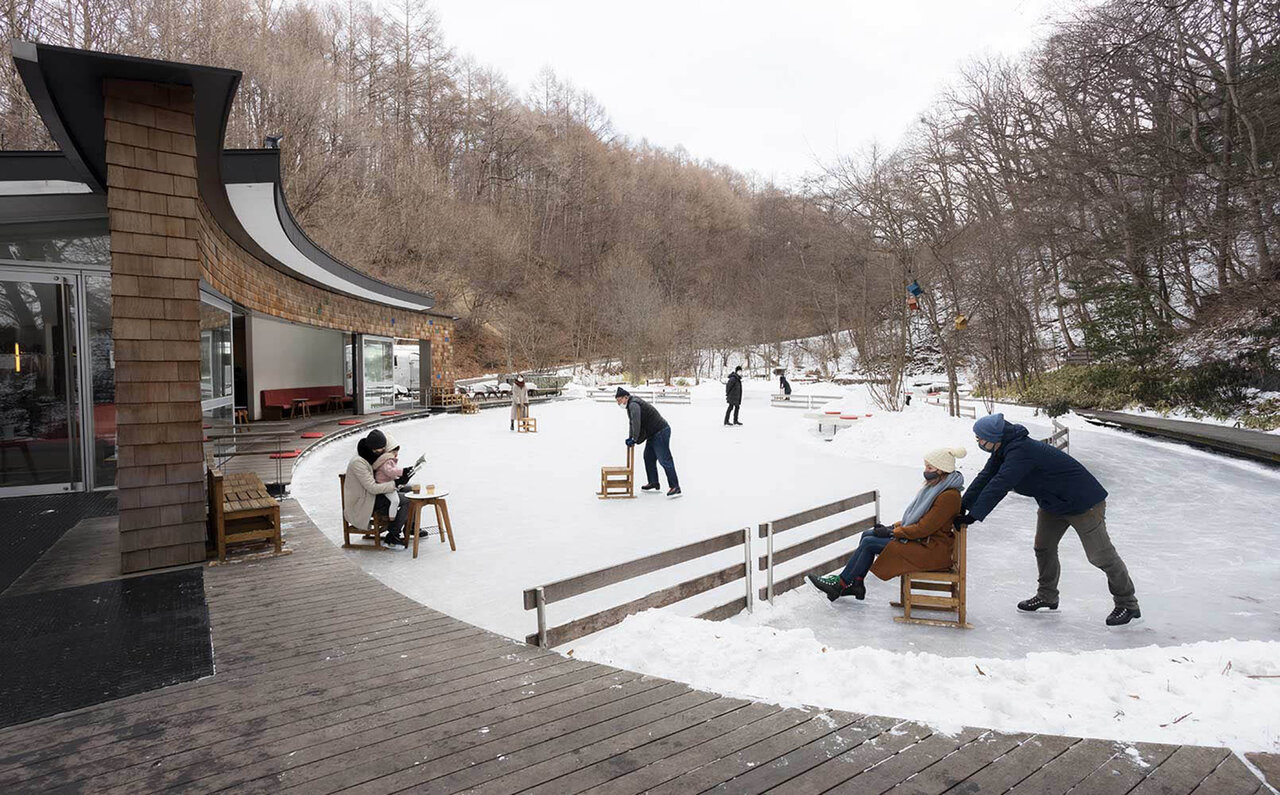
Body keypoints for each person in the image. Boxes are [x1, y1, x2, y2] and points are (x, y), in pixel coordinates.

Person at [955, 413, 1140, 626]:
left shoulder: (1021, 451)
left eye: (979, 438)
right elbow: (985, 477)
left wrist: (974, 516)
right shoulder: (1003, 449)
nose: (978, 442)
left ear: (993, 437)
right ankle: (1047, 596)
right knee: (1043, 548)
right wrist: (963, 505)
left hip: (1083, 503)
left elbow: (1001, 483)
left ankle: (1128, 603)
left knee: (1100, 556)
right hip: (1052, 503)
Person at [808, 446, 967, 600]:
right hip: (923, 542)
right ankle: (856, 583)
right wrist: (892, 527)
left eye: (929, 468)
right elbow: (918, 519)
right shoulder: (938, 488)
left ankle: (840, 584)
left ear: (941, 470)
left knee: (870, 543)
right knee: (867, 534)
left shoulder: (948, 496)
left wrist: (892, 533)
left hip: (931, 550)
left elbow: (923, 528)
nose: (925, 471)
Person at [343, 429, 414, 547]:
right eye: (381, 449)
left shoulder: (371, 456)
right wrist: (396, 484)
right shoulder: (358, 463)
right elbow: (372, 488)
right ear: (373, 448)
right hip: (365, 500)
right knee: (409, 499)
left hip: (374, 495)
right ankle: (393, 535)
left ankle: (410, 526)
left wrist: (402, 476)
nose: (383, 451)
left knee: (410, 489)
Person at [615, 387, 681, 497]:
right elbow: (632, 424)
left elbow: (636, 423)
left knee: (664, 459)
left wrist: (634, 439)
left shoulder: (634, 405)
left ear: (626, 397)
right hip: (652, 433)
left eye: (619, 400)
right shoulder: (630, 406)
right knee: (648, 457)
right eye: (617, 401)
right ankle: (654, 482)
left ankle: (675, 486)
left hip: (660, 431)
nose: (618, 403)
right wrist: (631, 437)